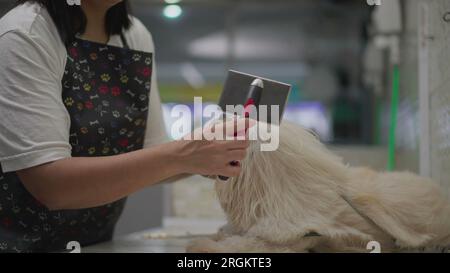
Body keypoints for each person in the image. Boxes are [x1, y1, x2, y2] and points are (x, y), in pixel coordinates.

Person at [0, 0, 249, 252]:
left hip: (95, 244)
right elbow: (51, 185)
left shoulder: (133, 35)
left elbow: (154, 155)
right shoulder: (24, 34)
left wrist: (214, 155)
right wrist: (186, 155)